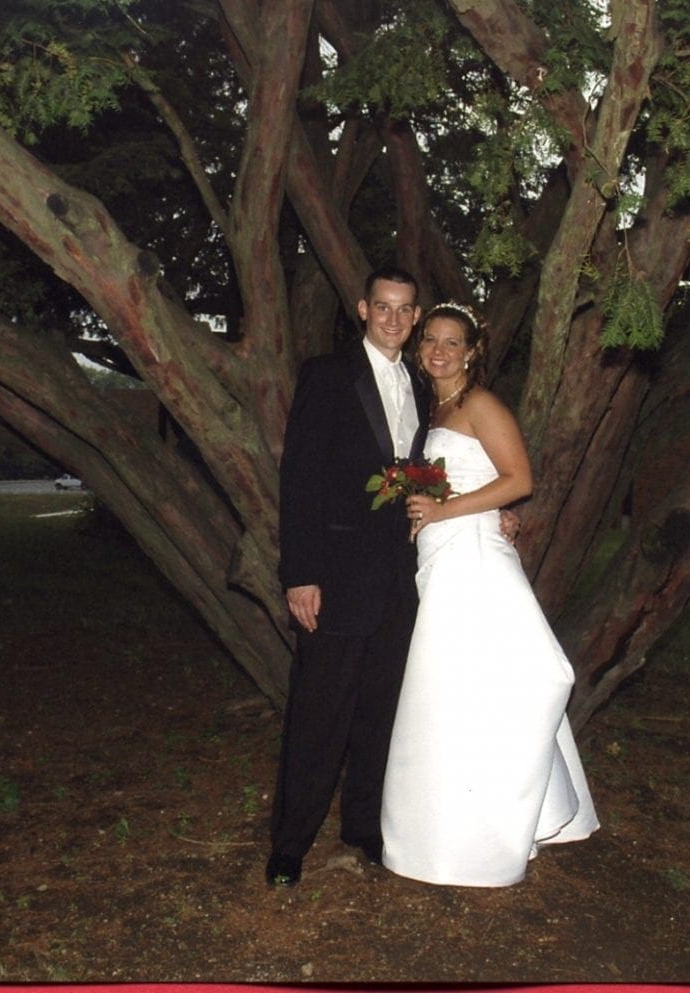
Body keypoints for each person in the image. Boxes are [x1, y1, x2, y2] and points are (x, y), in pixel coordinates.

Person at [381, 302, 599, 887]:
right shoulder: (436, 409)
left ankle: (497, 826)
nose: (439, 351)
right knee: (456, 690)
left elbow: (519, 480)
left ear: (472, 352)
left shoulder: (479, 403)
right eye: (431, 340)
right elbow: (482, 483)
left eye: (453, 343)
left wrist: (454, 510)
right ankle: (456, 828)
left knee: (512, 678)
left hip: (472, 558)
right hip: (443, 558)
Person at [266, 265, 429, 887]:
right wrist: (301, 573)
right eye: (382, 307)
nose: (393, 318)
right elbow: (300, 478)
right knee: (319, 711)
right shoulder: (327, 376)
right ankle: (289, 846)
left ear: (415, 317)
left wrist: (499, 517)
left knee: (380, 711)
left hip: (402, 579)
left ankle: (363, 829)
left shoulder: (424, 381)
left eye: (404, 309)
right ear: (363, 309)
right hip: (334, 577)